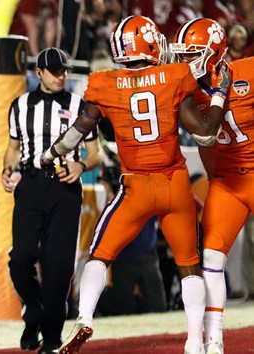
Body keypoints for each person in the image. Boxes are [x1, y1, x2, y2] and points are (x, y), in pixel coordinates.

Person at [40, 15, 229, 354]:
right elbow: (206, 132)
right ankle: (195, 340)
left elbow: (80, 130)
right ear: (151, 43)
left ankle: (84, 317)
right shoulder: (174, 76)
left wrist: (51, 152)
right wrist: (219, 94)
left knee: (100, 255)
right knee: (189, 264)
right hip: (174, 183)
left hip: (136, 186)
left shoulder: (104, 83)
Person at [1, 47, 101, 354]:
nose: (61, 76)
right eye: (55, 71)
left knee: (59, 266)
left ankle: (52, 336)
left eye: (64, 71)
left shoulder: (79, 105)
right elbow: (14, 147)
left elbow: (96, 153)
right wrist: (7, 169)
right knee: (21, 258)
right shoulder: (19, 105)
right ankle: (33, 313)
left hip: (64, 188)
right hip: (30, 185)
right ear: (39, 72)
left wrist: (81, 165)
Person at [172, 17, 254, 354]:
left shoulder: (247, 72)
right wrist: (216, 179)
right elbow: (206, 143)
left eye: (192, 54)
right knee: (211, 256)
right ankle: (214, 337)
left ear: (213, 53)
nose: (185, 62)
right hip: (229, 181)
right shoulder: (184, 91)